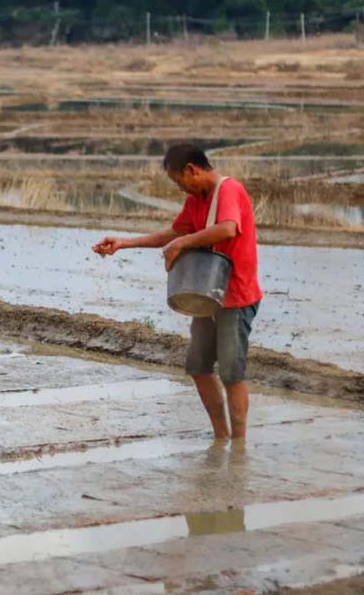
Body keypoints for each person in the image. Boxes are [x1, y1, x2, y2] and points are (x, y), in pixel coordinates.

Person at [92, 144, 262, 440]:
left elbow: (227, 229)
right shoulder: (196, 200)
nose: (180, 188)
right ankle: (221, 436)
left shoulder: (229, 190)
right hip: (206, 294)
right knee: (198, 367)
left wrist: (183, 244)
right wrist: (124, 243)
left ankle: (239, 445)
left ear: (191, 170)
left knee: (232, 373)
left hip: (235, 296)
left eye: (178, 180)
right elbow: (174, 233)